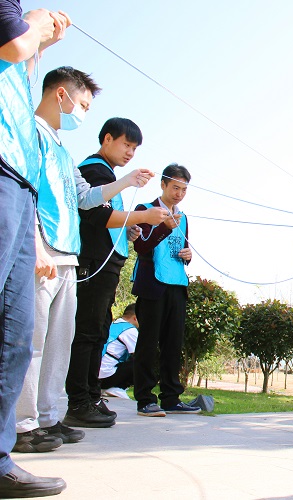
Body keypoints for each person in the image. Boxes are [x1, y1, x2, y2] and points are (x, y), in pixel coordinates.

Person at [14, 66, 158, 455]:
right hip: (43, 253)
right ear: (60, 95)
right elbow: (20, 192)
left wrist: (126, 182)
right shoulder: (28, 136)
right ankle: (23, 424)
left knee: (60, 342)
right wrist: (37, 247)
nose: (82, 113)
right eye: (82, 104)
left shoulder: (63, 152)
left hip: (69, 256)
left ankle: (49, 416)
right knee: (34, 343)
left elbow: (85, 198)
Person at [0, 3, 69, 497]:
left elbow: (17, 59)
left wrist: (39, 43)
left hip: (18, 184)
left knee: (15, 336)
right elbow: (11, 43)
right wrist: (36, 29)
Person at [63, 117, 168, 429]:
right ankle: (79, 400)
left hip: (106, 263)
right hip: (94, 262)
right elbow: (97, 215)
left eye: (134, 149)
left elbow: (111, 219)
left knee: (97, 329)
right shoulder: (95, 170)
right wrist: (144, 215)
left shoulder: (106, 173)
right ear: (107, 139)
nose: (130, 153)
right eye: (126, 144)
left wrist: (131, 227)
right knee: (87, 331)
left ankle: (91, 395)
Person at [132, 164, 200, 417]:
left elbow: (182, 248)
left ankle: (171, 397)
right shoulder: (145, 210)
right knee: (148, 342)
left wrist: (189, 254)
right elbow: (141, 246)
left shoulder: (183, 217)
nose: (179, 194)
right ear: (162, 184)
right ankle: (145, 399)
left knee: (173, 343)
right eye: (175, 188)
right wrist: (165, 227)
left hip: (177, 285)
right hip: (152, 285)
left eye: (184, 189)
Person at [99, 304, 139, 400]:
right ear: (135, 318)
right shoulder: (130, 330)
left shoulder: (113, 324)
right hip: (107, 376)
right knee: (140, 363)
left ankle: (107, 388)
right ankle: (117, 387)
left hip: (96, 375)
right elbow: (140, 355)